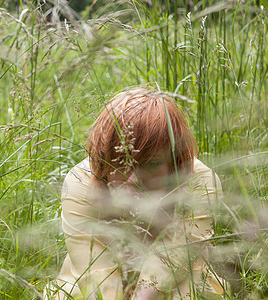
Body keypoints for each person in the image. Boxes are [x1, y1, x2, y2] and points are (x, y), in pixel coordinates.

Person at [46, 88, 227, 299]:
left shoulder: (201, 182)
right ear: (104, 155)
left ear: (175, 162)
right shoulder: (80, 182)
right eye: (122, 162)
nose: (132, 179)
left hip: (178, 280)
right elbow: (96, 273)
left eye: (150, 164)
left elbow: (175, 261)